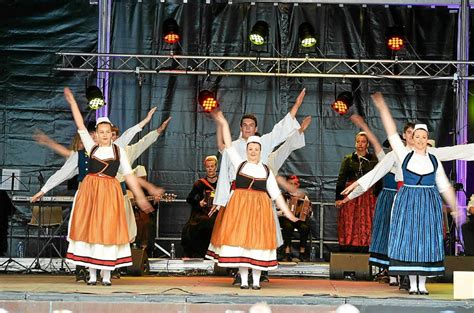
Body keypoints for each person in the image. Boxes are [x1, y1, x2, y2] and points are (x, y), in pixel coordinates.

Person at [63, 87, 153, 286]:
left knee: (108, 231)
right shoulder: (91, 146)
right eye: (101, 132)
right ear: (96, 133)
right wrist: (72, 103)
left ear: (112, 134)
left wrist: (140, 197)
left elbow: (129, 176)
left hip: (110, 193)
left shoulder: (119, 150)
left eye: (107, 132)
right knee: (91, 231)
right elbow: (79, 125)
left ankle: (106, 274)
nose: (104, 135)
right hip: (91, 192)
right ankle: (92, 274)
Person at [371, 92, 458, 295]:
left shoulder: (434, 160)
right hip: (408, 202)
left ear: (428, 140)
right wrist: (383, 109)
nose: (419, 140)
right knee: (410, 241)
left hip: (428, 204)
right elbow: (392, 134)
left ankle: (423, 284)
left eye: (423, 137)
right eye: (416, 136)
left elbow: (444, 185)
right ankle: (412, 284)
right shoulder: (404, 155)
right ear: (412, 138)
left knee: (426, 241)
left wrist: (455, 208)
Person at [207, 109, 298, 290]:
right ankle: (243, 279)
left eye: (256, 149)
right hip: (240, 209)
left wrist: (288, 213)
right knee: (241, 244)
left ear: (260, 150)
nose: (253, 151)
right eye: (250, 149)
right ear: (247, 150)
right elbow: (229, 147)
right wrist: (224, 123)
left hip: (259, 210)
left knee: (257, 244)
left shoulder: (265, 170)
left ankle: (256, 281)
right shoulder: (239, 163)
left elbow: (276, 194)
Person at [334, 131, 380, 252]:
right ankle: (348, 246)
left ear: (368, 144)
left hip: (368, 195)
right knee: (350, 220)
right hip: (351, 195)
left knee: (367, 220)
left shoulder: (374, 159)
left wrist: (377, 195)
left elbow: (379, 179)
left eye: (363, 142)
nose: (360, 144)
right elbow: (341, 179)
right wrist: (339, 198)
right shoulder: (348, 159)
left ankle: (366, 246)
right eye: (358, 141)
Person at [181, 155, 219, 258]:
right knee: (197, 225)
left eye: (212, 166)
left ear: (216, 167)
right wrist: (199, 203)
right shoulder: (199, 184)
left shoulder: (222, 183)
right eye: (208, 166)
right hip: (203, 212)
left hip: (218, 212)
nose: (210, 169)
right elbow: (189, 199)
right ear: (205, 168)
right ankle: (197, 254)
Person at [278, 175, 312, 262]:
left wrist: (308, 212)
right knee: (288, 226)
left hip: (298, 220)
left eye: (295, 183)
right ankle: (286, 252)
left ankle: (302, 252)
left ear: (298, 185)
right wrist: (284, 213)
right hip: (284, 219)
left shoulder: (304, 197)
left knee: (305, 227)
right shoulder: (282, 196)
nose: (293, 185)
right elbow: (275, 213)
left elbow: (310, 214)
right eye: (290, 183)